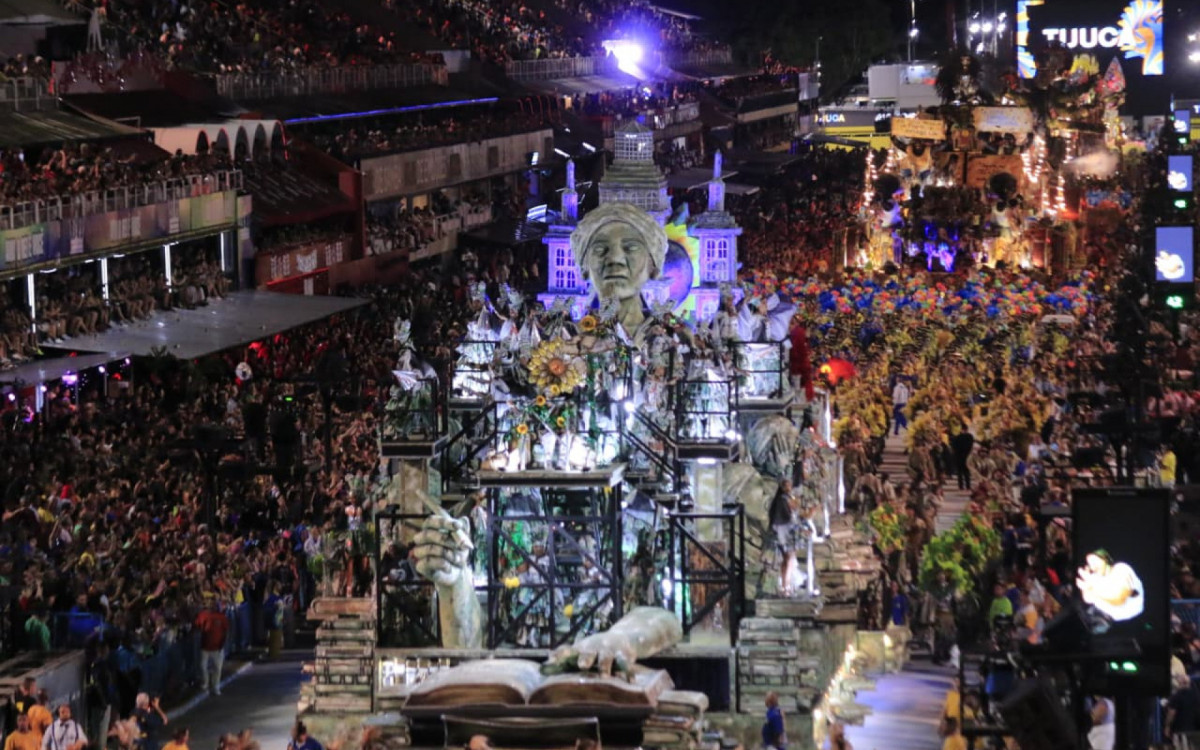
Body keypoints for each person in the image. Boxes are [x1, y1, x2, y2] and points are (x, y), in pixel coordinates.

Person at [1076, 549, 1144, 622]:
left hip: (1136, 619)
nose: (1093, 566)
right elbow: (1087, 598)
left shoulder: (1121, 568)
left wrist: (1091, 588)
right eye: (1090, 564)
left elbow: (1119, 597)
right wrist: (1086, 586)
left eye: (1094, 561)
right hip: (1113, 623)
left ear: (1104, 559)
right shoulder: (1095, 578)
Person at [195, 599, 230, 696]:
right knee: (202, 666)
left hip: (217, 647)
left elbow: (226, 632)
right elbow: (198, 624)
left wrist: (222, 644)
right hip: (205, 646)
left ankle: (216, 687)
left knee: (217, 669)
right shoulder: (205, 615)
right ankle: (205, 684)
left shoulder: (223, 618)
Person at [1167, 673, 1200, 749]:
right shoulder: (1196, 694)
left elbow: (1171, 713)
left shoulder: (1176, 696)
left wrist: (1167, 726)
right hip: (1196, 729)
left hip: (1181, 730)